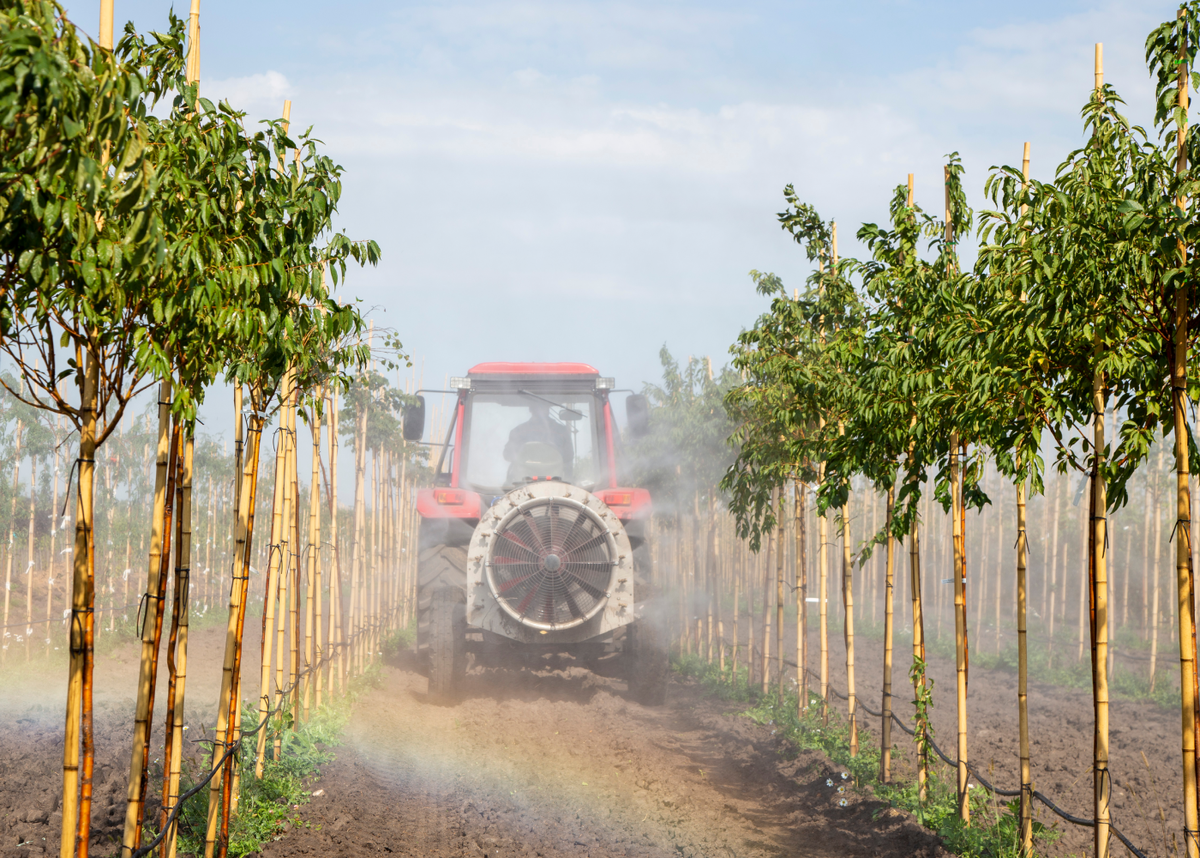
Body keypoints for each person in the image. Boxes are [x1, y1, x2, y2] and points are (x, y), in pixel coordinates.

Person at [504, 400, 574, 478]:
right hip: (522, 483)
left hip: (556, 483)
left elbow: (568, 457)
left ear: (548, 409)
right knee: (504, 488)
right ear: (531, 409)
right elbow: (508, 455)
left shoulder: (562, 432)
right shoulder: (518, 432)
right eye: (537, 407)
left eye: (543, 406)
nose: (540, 410)